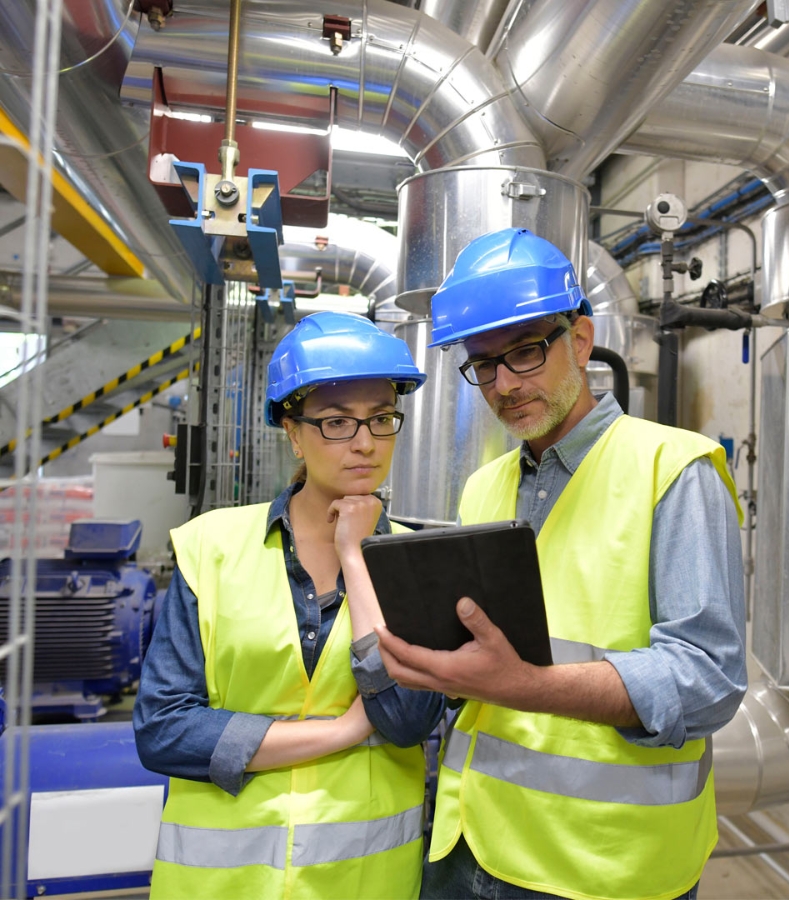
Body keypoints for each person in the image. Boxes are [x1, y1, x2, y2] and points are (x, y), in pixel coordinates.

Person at [375, 228, 748, 900]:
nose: (504, 385)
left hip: (602, 869)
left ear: (580, 339)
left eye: (523, 353)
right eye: (482, 364)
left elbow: (708, 680)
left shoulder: (673, 471)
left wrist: (524, 685)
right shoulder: (484, 486)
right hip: (469, 843)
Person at [134, 311, 445, 900]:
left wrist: (357, 555)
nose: (365, 442)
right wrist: (347, 730)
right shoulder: (211, 546)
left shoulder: (414, 559)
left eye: (381, 419)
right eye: (335, 423)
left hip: (363, 883)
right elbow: (164, 731)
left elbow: (407, 721)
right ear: (292, 430)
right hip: (222, 885)